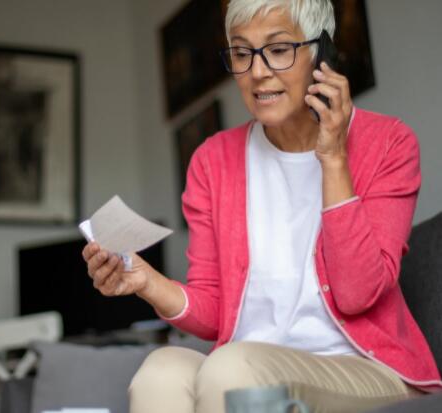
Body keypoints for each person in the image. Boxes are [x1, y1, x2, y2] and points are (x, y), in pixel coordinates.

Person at [82, 0, 442, 412]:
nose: (257, 72)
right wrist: (145, 282)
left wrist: (334, 158)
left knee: (231, 368)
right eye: (241, 52)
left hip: (364, 370)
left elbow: (357, 294)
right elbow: (216, 313)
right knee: (160, 372)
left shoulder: (389, 143)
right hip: (249, 362)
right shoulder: (211, 162)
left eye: (278, 49)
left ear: (320, 55)